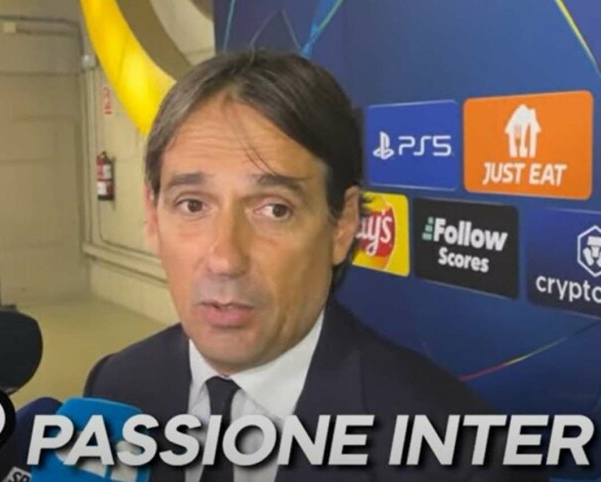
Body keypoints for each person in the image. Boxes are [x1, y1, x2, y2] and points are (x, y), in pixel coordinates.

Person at [83, 50, 548, 482]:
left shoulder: (467, 457)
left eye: (274, 209)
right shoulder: (116, 386)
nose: (224, 259)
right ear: (152, 217)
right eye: (192, 205)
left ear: (342, 225)